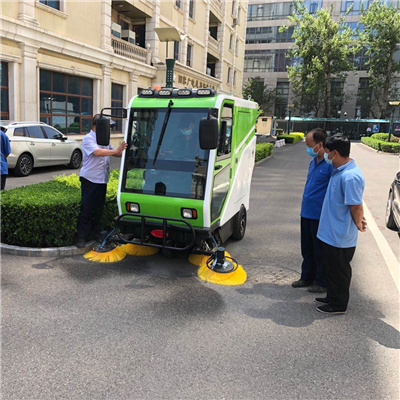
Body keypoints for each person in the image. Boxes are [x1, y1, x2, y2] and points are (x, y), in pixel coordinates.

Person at [316, 134, 367, 314]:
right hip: (330, 233)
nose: (326, 156)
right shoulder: (339, 171)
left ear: (335, 153)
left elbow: (355, 205)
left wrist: (359, 222)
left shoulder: (350, 177)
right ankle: (331, 297)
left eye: (327, 152)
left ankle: (338, 304)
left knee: (339, 271)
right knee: (331, 269)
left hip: (340, 236)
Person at [76, 114, 127, 248]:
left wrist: (122, 149)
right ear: (98, 126)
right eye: (107, 127)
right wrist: (115, 151)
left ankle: (95, 233)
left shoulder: (104, 139)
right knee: (87, 209)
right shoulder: (88, 139)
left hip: (101, 179)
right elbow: (97, 152)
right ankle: (81, 237)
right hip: (90, 179)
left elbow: (115, 153)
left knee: (98, 209)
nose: (108, 130)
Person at [292, 128, 333, 293]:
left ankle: (321, 281)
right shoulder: (313, 161)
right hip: (306, 212)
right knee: (307, 248)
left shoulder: (329, 165)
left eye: (310, 145)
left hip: (319, 214)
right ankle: (307, 277)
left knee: (319, 250)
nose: (308, 149)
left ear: (320, 144)